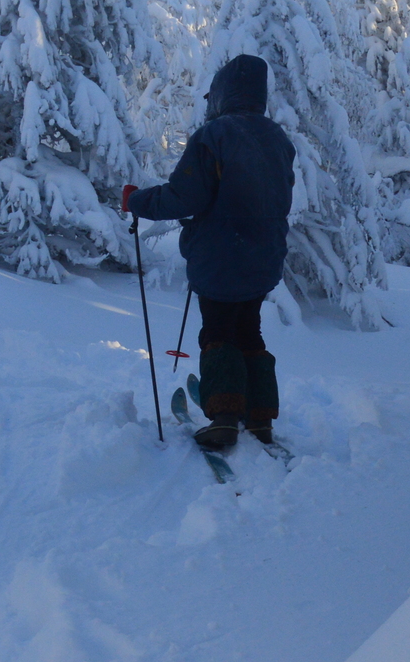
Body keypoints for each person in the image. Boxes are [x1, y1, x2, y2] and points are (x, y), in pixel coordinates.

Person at [121, 54, 295, 453]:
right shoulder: (277, 139)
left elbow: (183, 198)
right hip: (264, 258)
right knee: (249, 330)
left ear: (220, 94)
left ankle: (224, 418)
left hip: (221, 258)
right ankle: (260, 416)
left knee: (217, 332)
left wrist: (137, 201)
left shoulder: (213, 137)